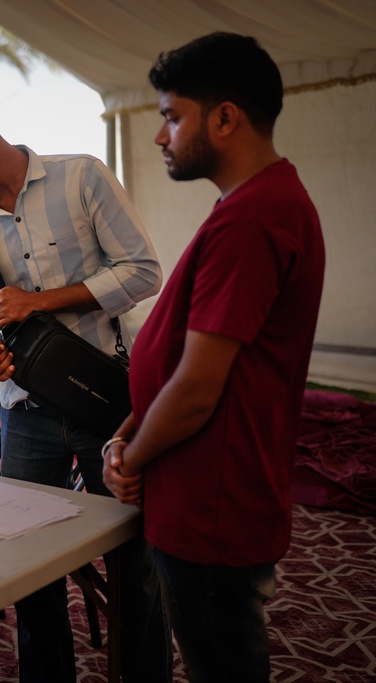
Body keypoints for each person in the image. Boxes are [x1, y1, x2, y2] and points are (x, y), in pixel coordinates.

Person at [0, 75, 171, 682]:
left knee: (136, 564)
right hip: (24, 413)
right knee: (31, 572)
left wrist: (35, 304)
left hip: (108, 405)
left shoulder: (83, 177)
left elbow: (144, 272)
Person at [103, 33, 325, 682]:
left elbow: (199, 387)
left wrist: (132, 460)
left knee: (222, 666)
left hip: (212, 504)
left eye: (172, 116)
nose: (159, 135)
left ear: (225, 117)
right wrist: (133, 428)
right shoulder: (254, 204)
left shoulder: (253, 218)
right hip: (210, 491)